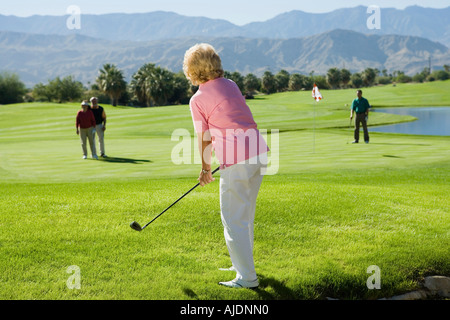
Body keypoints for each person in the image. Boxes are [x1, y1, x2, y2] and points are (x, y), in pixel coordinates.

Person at [183, 43, 269, 289]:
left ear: (192, 70)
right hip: (257, 152)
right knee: (245, 214)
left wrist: (205, 168)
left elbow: (205, 137)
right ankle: (241, 264)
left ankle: (247, 278)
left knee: (233, 219)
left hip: (237, 160)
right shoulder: (230, 84)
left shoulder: (198, 98)